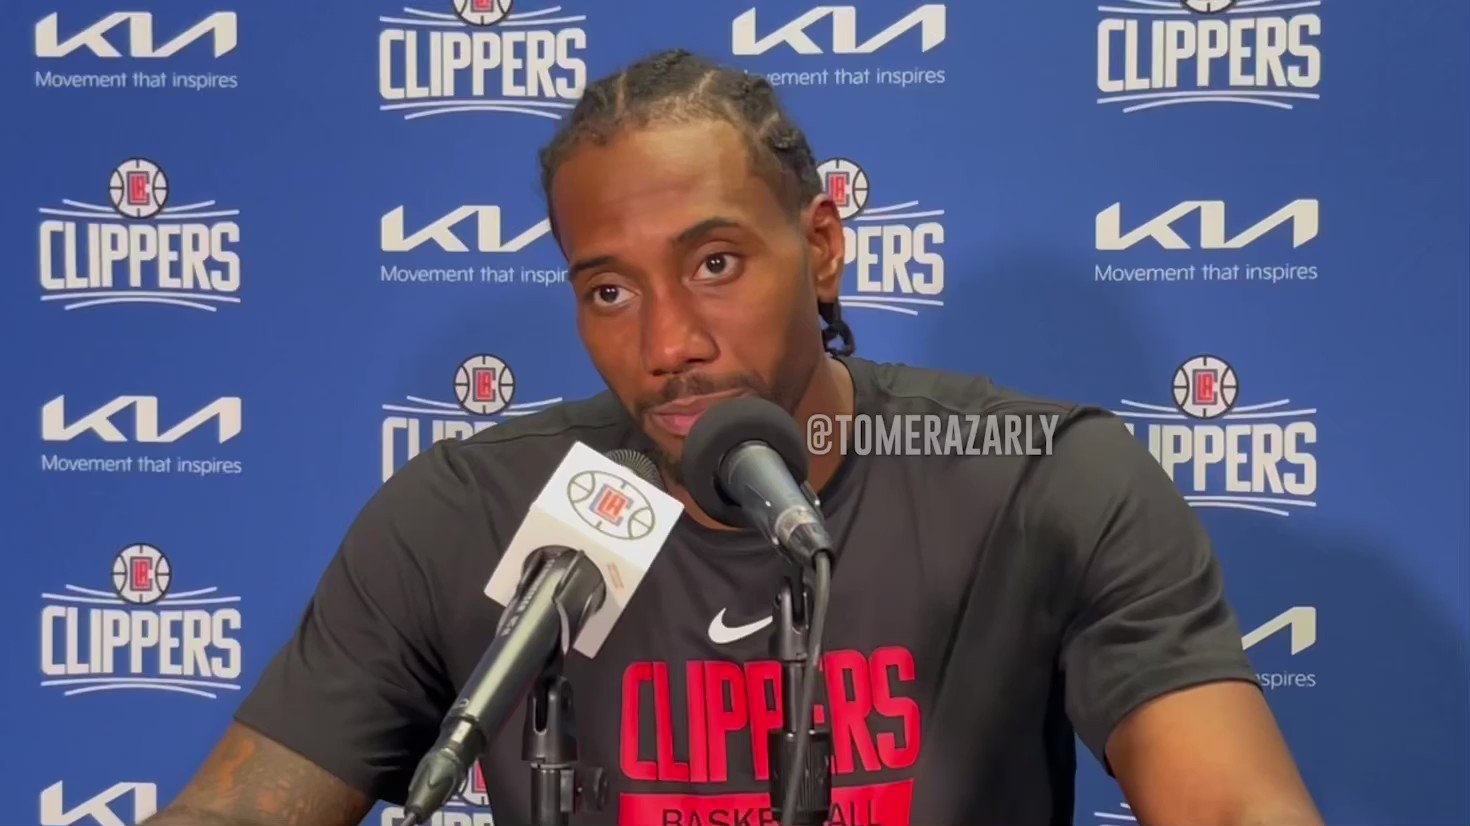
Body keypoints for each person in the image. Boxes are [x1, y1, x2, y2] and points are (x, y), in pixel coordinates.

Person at [144, 49, 1323, 826]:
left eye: (714, 264)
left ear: (820, 247)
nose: (668, 342)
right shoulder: (464, 514)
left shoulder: (1044, 480)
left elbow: (1234, 806)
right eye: (606, 290)